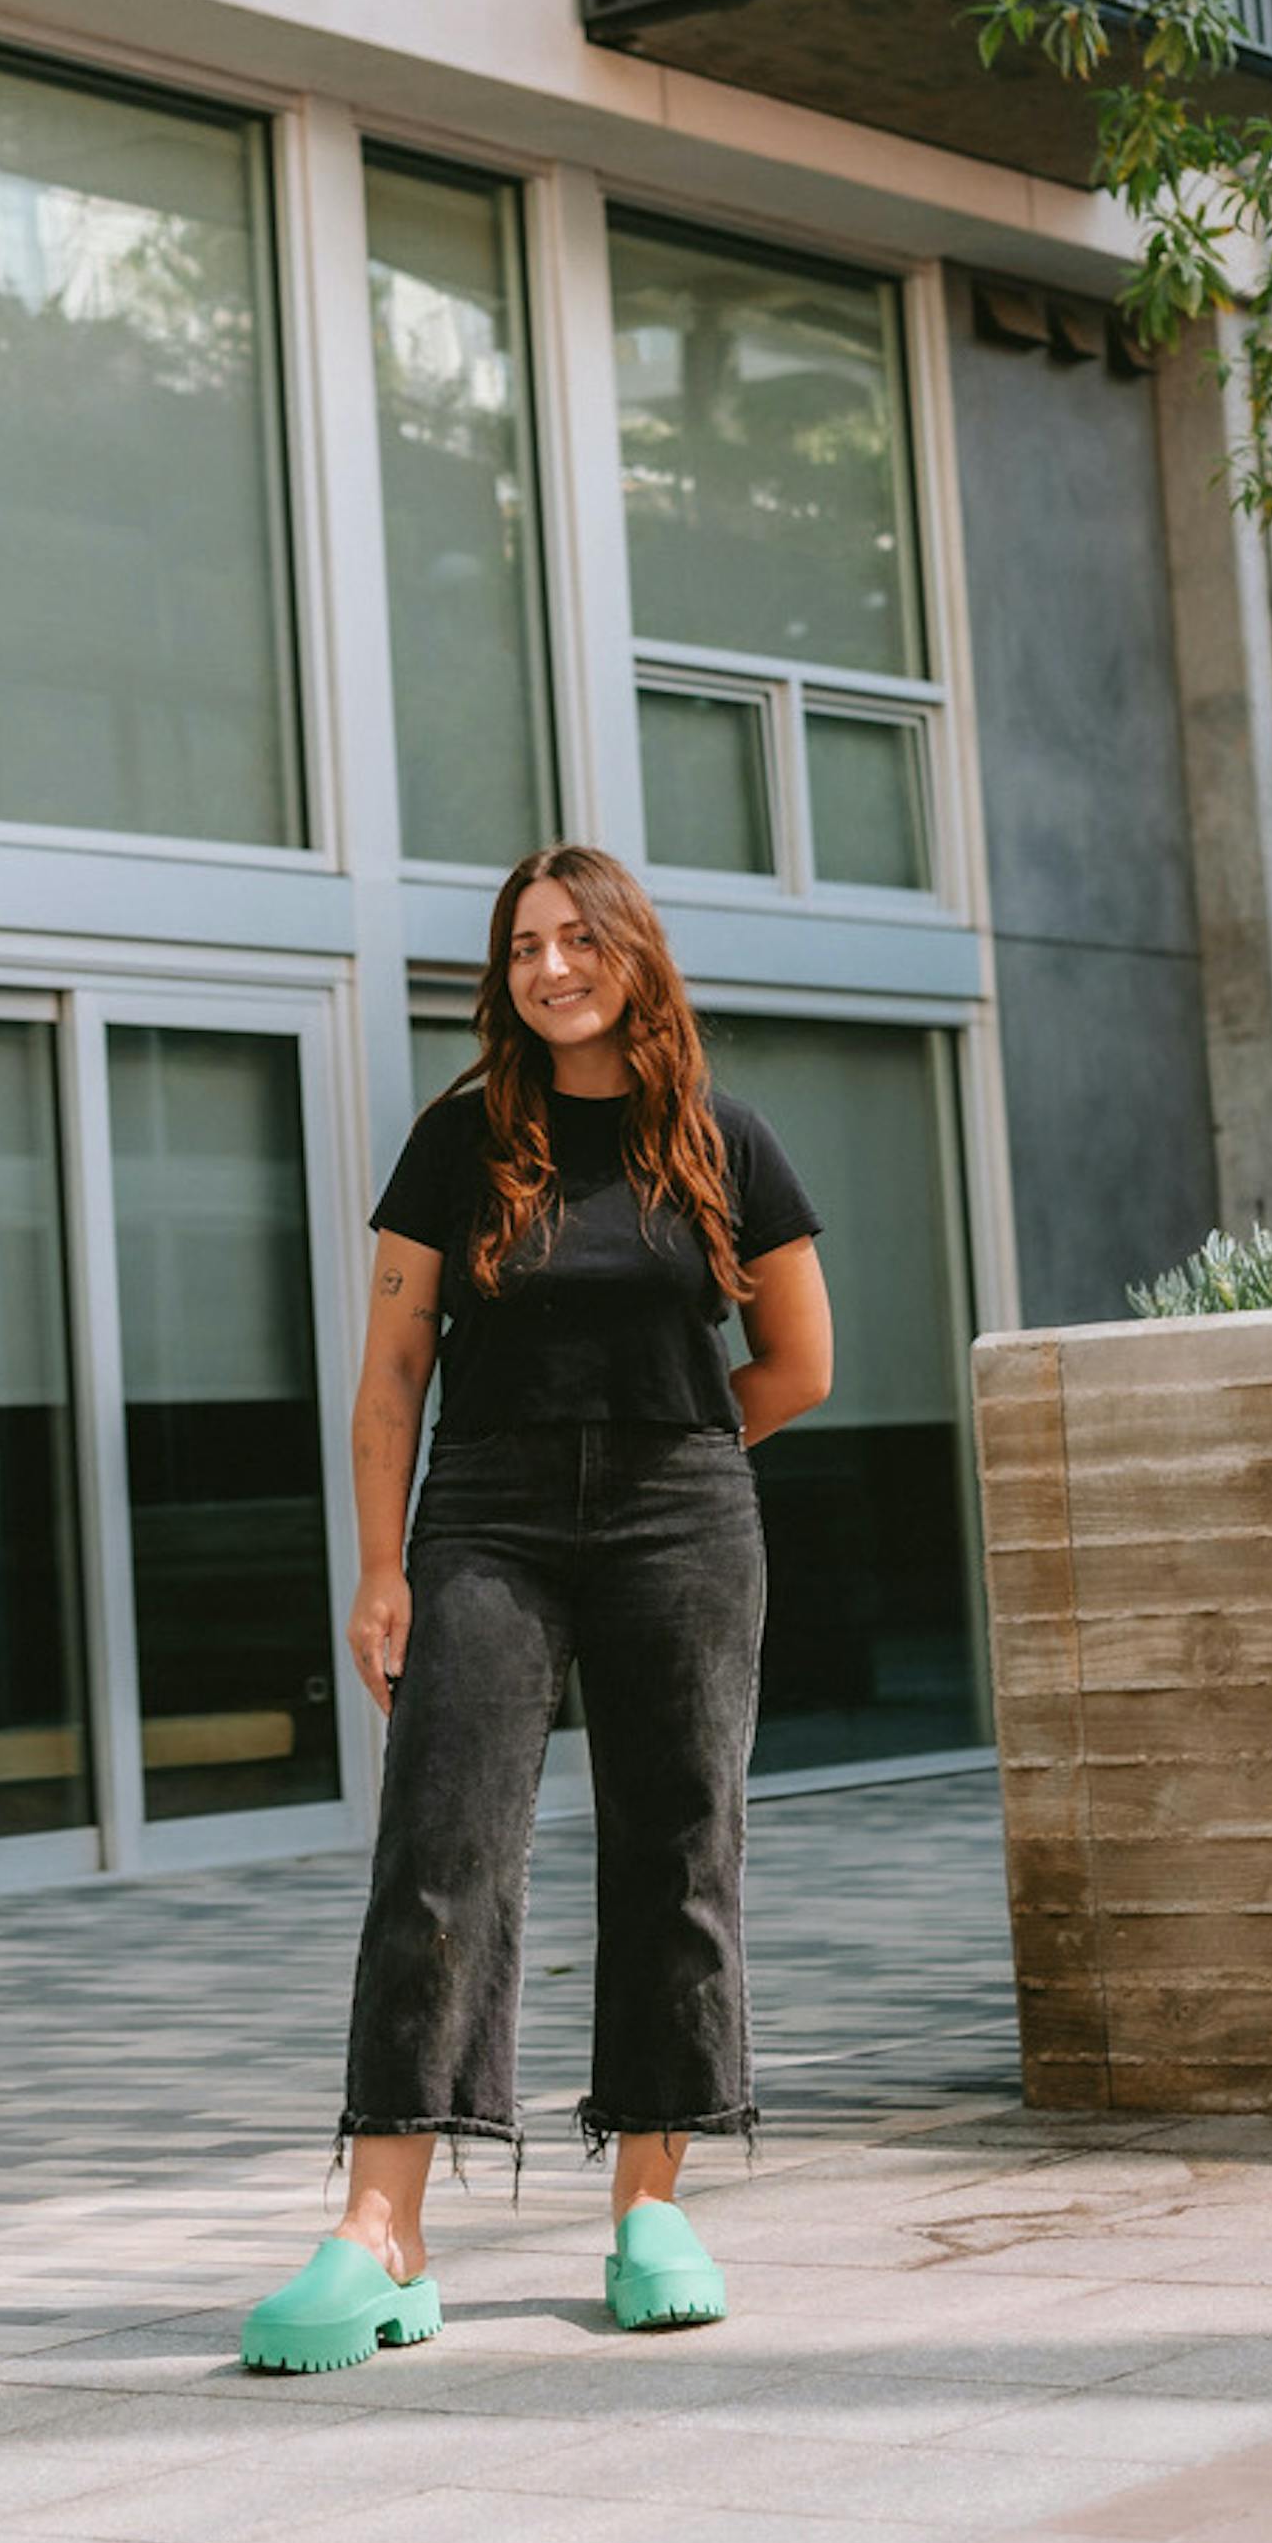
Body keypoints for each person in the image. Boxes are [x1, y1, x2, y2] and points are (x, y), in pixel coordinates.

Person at [241, 844, 834, 2375]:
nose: (551, 967)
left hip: (680, 1518)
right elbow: (390, 1376)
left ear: (635, 951)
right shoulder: (459, 1143)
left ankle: (652, 2208)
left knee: (679, 1842)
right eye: (523, 948)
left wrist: (683, 1459)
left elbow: (801, 1364)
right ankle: (383, 2232)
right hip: (486, 1513)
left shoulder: (721, 1141)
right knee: (441, 1847)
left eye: (578, 939)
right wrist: (383, 1566)